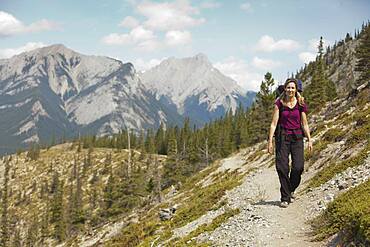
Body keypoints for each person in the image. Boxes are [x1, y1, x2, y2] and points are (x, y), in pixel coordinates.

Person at [267, 78, 313, 208]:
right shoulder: (279, 103)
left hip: (297, 137)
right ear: (284, 89)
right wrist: (270, 141)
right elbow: (273, 123)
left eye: (293, 88)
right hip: (282, 137)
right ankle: (285, 197)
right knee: (282, 167)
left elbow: (304, 123)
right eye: (288, 88)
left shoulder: (301, 104)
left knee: (298, 167)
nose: (290, 90)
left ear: (296, 89)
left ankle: (291, 188)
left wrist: (309, 139)